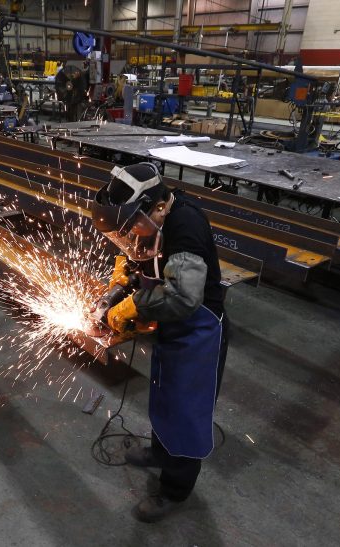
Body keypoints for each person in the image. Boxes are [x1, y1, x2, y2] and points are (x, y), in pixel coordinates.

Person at [91, 163, 229, 523]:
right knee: (164, 393)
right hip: (172, 327)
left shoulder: (186, 227)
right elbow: (140, 250)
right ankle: (159, 451)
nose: (132, 232)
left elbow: (184, 297)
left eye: (133, 223)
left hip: (199, 331)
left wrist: (134, 304)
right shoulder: (154, 214)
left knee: (186, 410)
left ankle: (175, 489)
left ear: (156, 207)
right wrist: (123, 272)